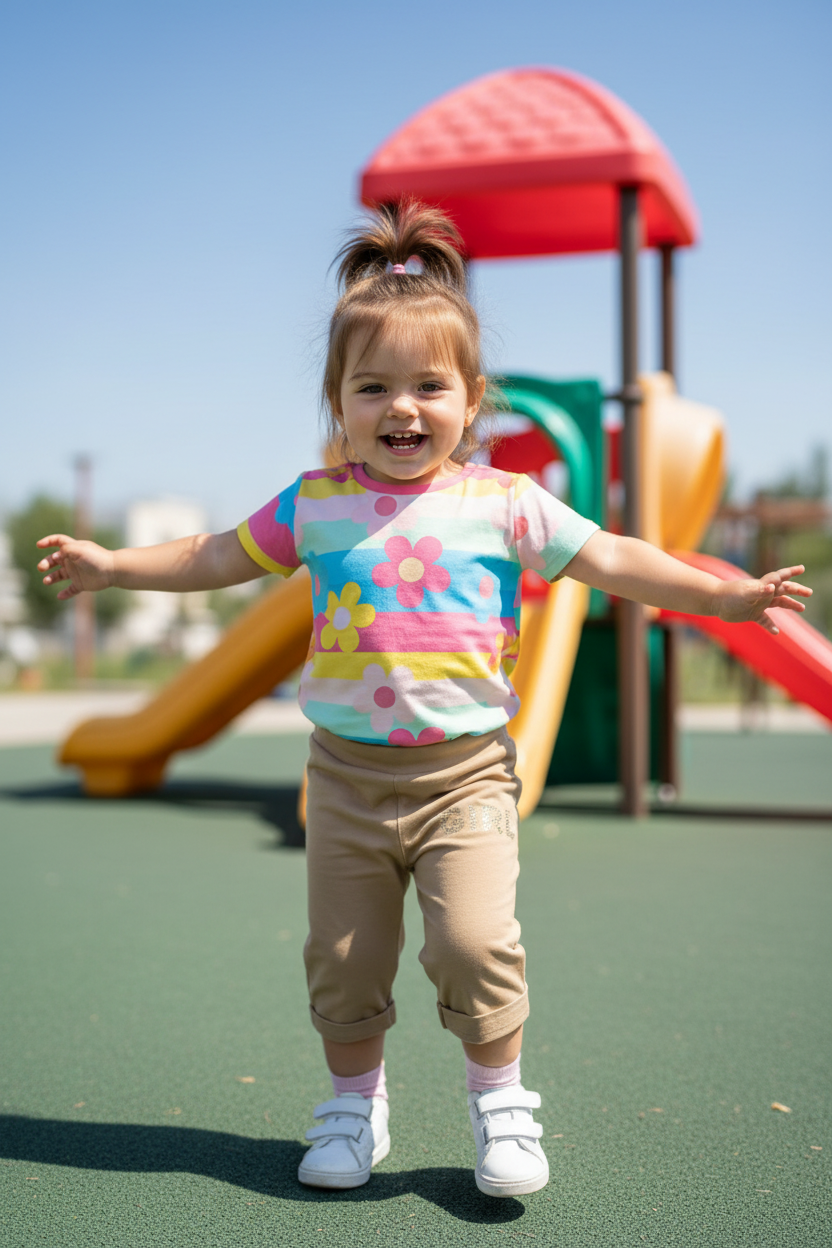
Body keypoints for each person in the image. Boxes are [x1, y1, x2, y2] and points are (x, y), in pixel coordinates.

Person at [36, 201, 811, 1200]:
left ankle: (500, 1105)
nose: (402, 409)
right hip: (347, 780)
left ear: (469, 398)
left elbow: (613, 556)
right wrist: (114, 567)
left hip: (465, 775)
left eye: (428, 387)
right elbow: (215, 553)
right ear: (339, 403)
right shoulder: (315, 505)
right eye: (373, 389)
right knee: (345, 960)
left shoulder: (503, 503)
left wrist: (726, 594)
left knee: (474, 943)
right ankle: (353, 1109)